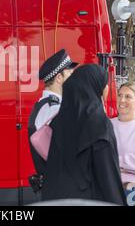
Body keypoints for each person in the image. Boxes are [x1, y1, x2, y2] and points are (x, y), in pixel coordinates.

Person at [41, 64, 126, 205]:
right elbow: (107, 174)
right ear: (96, 86)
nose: (108, 88)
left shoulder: (58, 121)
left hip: (55, 198)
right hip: (87, 199)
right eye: (105, 84)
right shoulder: (99, 123)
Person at [27, 49, 78, 190]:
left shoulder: (45, 105)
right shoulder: (54, 109)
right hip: (62, 185)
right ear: (59, 78)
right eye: (69, 73)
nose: (73, 78)